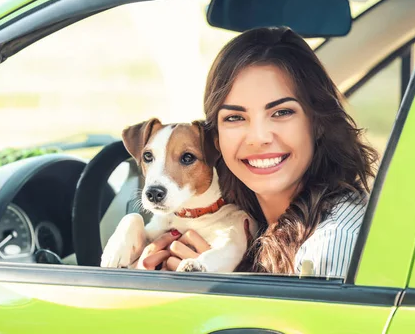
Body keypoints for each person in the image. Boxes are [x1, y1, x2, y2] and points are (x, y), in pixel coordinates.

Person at [136, 26, 377, 277]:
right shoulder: (238, 217)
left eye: (281, 112)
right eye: (235, 117)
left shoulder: (329, 244)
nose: (258, 137)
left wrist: (207, 286)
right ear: (215, 138)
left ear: (317, 123)